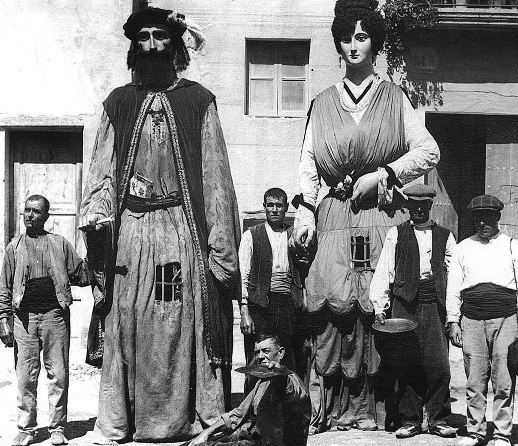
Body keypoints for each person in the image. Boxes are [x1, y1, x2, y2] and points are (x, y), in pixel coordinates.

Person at [79, 7, 240, 443]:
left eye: (160, 36)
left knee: (175, 321)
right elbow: (102, 172)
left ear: (175, 44)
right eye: (143, 37)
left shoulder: (198, 101)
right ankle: (119, 422)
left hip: (178, 235)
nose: (151, 45)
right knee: (125, 320)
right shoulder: (118, 102)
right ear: (134, 47)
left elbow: (216, 178)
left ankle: (179, 420)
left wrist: (219, 247)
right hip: (130, 235)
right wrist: (96, 215)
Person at [291, 0, 440, 434]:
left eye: (361, 37)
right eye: (345, 37)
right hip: (335, 219)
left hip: (381, 218)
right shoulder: (320, 103)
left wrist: (384, 173)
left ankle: (384, 411)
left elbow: (429, 150)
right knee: (334, 311)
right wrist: (305, 215)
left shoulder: (394, 98)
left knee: (379, 306)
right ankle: (334, 411)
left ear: (375, 42)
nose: (352, 46)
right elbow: (307, 165)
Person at [0, 195, 93, 446]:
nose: (29, 215)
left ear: (46, 216)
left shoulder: (60, 244)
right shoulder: (14, 247)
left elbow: (81, 275)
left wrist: (96, 245)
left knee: (59, 375)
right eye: (27, 211)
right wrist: (3, 320)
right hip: (24, 319)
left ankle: (57, 428)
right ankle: (26, 429)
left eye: (36, 211)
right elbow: (4, 288)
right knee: (26, 376)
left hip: (55, 317)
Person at [446, 195, 518, 446]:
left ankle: (502, 434)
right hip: (472, 320)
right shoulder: (463, 247)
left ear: (497, 218)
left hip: (506, 320)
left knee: (504, 379)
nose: (482, 224)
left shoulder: (512, 246)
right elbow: (453, 288)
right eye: (477, 219)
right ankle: (475, 432)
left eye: (487, 218)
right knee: (474, 380)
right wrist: (453, 321)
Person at [370, 184, 456, 439]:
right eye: (413, 205)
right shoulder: (395, 234)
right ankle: (410, 419)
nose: (418, 209)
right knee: (406, 363)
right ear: (407, 207)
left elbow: (454, 276)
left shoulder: (445, 235)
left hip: (434, 304)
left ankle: (439, 418)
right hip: (404, 305)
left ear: (430, 206)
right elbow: (384, 270)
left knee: (439, 365)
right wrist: (380, 307)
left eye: (423, 205)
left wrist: (453, 314)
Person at [188, 333, 311, 446]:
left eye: (266, 351)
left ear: (281, 353)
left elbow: (286, 390)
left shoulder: (291, 381)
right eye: (257, 352)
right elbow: (238, 414)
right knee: (193, 443)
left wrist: (279, 374)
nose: (261, 356)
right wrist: (207, 432)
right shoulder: (263, 381)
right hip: (257, 439)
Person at [238, 188, 304, 373]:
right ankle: (254, 400)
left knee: (288, 361)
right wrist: (245, 312)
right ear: (264, 207)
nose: (274, 210)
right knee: (258, 361)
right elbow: (243, 275)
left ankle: (285, 402)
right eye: (270, 205)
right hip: (260, 306)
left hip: (288, 306)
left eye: (279, 205)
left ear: (286, 208)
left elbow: (303, 272)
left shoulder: (295, 235)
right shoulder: (251, 235)